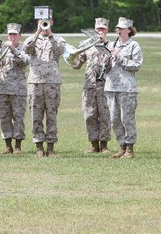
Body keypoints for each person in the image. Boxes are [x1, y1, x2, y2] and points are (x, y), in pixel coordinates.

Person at [23, 11, 66, 157]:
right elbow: (26, 49)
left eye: (47, 21)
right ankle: (39, 147)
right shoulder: (31, 39)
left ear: (52, 22)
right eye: (41, 21)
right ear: (37, 23)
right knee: (36, 115)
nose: (44, 24)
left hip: (52, 83)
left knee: (52, 115)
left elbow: (60, 51)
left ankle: (51, 147)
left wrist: (50, 35)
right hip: (35, 82)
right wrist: (37, 33)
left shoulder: (58, 39)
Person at [71, 18, 112, 154]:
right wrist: (71, 56)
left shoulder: (112, 45)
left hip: (105, 86)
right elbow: (77, 64)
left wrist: (105, 44)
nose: (100, 31)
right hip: (89, 85)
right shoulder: (87, 45)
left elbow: (115, 63)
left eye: (103, 29)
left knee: (105, 115)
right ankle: (94, 144)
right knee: (90, 115)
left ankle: (104, 145)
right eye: (98, 28)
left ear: (107, 30)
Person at [104, 17, 143, 159]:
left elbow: (136, 65)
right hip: (111, 87)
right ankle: (122, 146)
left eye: (121, 28)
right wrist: (106, 61)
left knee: (127, 119)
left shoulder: (134, 46)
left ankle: (130, 148)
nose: (118, 30)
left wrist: (119, 57)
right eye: (117, 28)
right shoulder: (111, 45)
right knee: (115, 119)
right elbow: (106, 68)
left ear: (128, 30)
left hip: (127, 88)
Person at [0, 23, 29, 154]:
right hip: (1, 88)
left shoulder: (24, 48)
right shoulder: (1, 49)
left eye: (15, 34)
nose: (12, 37)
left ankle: (18, 146)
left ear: (19, 35)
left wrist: (13, 49)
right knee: (4, 117)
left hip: (17, 89)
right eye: (10, 34)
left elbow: (24, 62)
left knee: (18, 117)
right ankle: (8, 145)